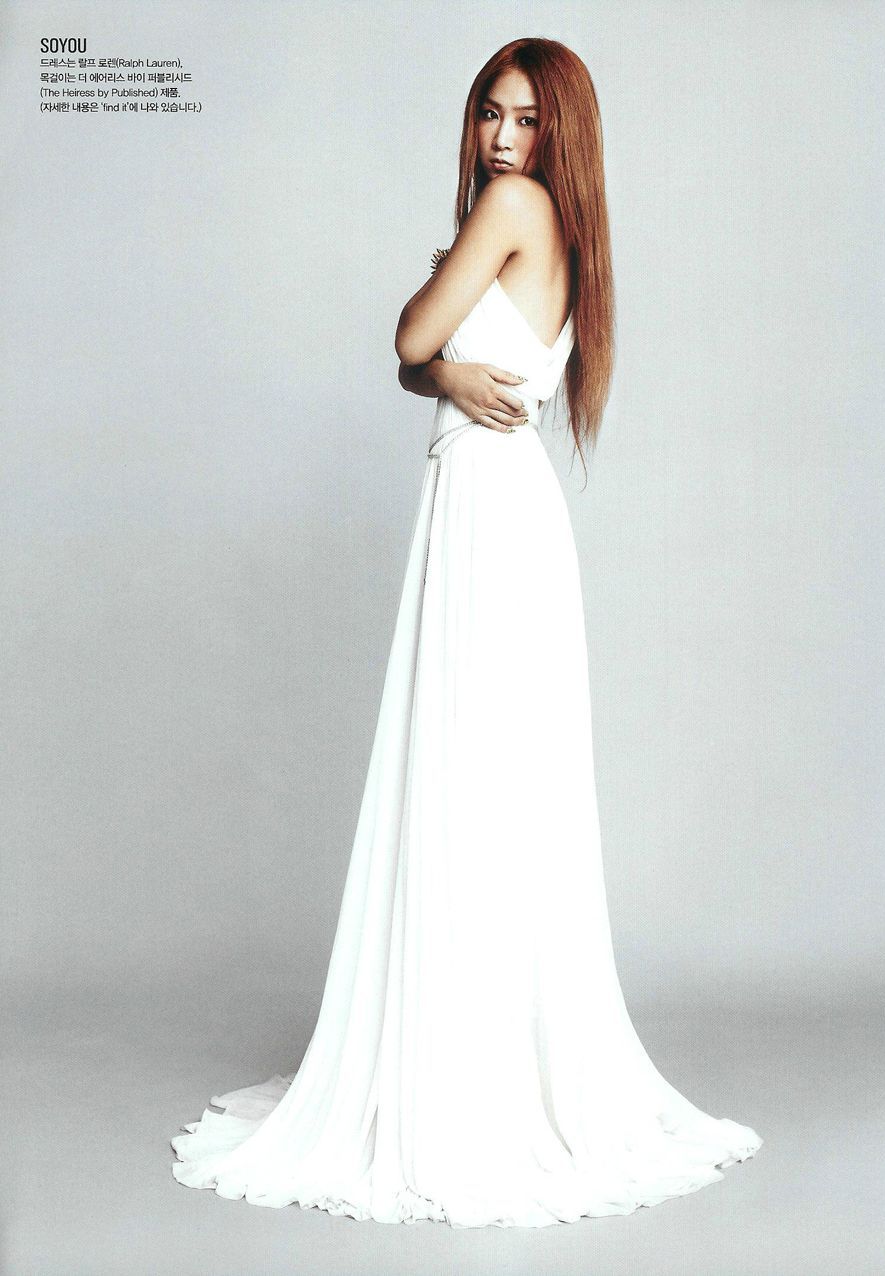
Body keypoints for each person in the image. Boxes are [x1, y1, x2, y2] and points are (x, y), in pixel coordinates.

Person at [170, 37, 762, 1229]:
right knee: (492, 789)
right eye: (491, 113)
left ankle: (464, 1086)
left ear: (558, 134)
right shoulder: (562, 224)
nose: (501, 137)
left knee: (469, 783)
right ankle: (481, 1066)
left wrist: (433, 357)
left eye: (526, 119)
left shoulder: (509, 207)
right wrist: (444, 375)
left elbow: (407, 338)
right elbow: (433, 368)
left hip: (490, 513)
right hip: (504, 504)